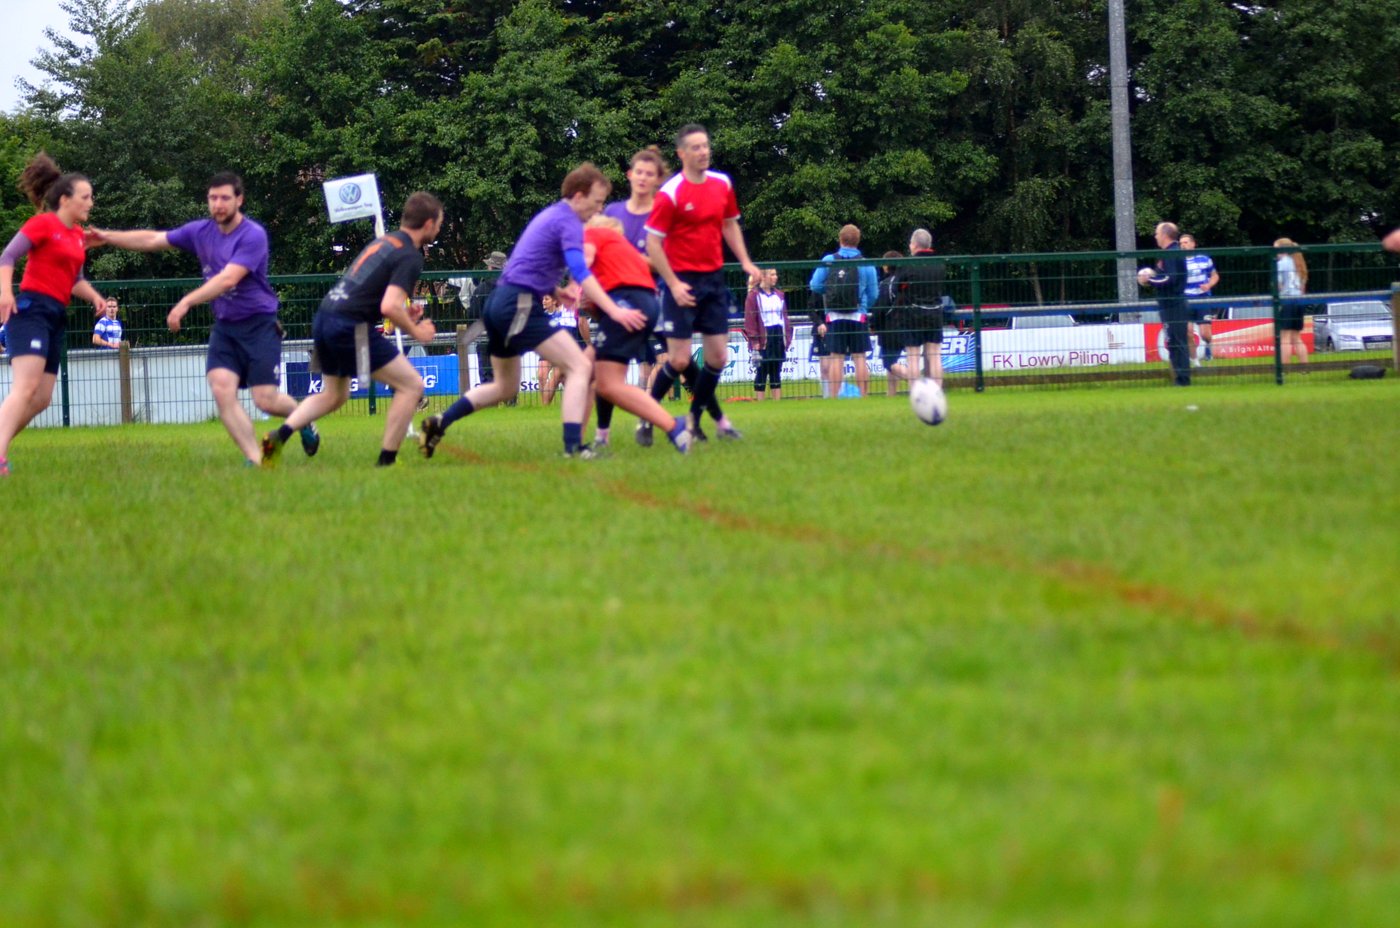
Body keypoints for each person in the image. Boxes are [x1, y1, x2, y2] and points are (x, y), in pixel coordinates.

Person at [419, 163, 646, 459]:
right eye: (597, 201)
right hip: (520, 305)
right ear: (579, 196)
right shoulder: (569, 221)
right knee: (580, 366)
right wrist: (614, 310)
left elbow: (526, 264)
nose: (600, 209)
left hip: (500, 303)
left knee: (505, 387)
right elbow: (580, 270)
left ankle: (438, 422)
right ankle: (574, 449)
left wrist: (555, 292)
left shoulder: (550, 216)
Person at [92, 172, 317, 464]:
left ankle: (303, 419)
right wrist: (107, 236)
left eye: (225, 198)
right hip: (225, 327)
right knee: (222, 390)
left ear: (239, 200)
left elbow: (228, 279)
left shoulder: (253, 235)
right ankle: (257, 460)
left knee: (265, 399)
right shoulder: (200, 231)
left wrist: (187, 301)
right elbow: (153, 238)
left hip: (259, 324)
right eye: (213, 198)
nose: (218, 204)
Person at [261, 192, 442, 467]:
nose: (438, 230)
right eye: (439, 224)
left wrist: (405, 315)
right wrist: (417, 331)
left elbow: (376, 297)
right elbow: (390, 306)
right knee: (412, 385)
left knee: (334, 395)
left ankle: (278, 437)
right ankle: (386, 462)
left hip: (325, 317)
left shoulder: (384, 242)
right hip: (349, 326)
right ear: (428, 223)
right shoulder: (410, 255)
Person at [645, 123, 761, 440]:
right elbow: (653, 243)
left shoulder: (722, 184)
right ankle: (647, 417)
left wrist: (746, 261)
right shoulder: (671, 193)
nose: (703, 152)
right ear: (682, 153)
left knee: (718, 357)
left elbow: (729, 224)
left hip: (713, 280)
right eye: (695, 147)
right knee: (679, 359)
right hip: (681, 281)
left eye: (706, 146)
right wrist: (673, 283)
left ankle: (693, 420)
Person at [0, 153, 107, 477]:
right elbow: (7, 256)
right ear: (65, 199)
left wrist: (95, 297)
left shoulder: (77, 235)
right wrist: (5, 293)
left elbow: (75, 280)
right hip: (31, 311)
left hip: (56, 315)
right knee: (26, 388)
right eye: (85, 197)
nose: (90, 203)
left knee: (42, 398)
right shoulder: (42, 224)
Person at [581, 213, 690, 451]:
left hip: (626, 302)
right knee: (589, 369)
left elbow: (585, 264)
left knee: (606, 383)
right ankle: (581, 441)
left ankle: (673, 425)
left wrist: (573, 283)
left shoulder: (594, 234)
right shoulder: (624, 249)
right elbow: (654, 265)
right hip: (647, 303)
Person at [602, 147, 675, 446]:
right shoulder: (612, 212)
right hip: (618, 299)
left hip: (655, 298)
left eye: (650, 174)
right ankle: (602, 436)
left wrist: (629, 258)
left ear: (658, 180)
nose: (643, 178)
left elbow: (665, 261)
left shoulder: (663, 214)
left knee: (678, 359)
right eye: (639, 172)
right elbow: (600, 253)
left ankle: (663, 417)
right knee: (607, 368)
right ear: (629, 175)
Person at [809, 224, 878, 398]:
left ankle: (834, 397)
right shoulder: (866, 264)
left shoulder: (829, 260)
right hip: (858, 314)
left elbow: (814, 285)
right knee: (859, 357)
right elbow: (874, 294)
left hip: (834, 315)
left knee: (836, 357)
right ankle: (863, 396)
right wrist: (864, 306)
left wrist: (830, 292)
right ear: (858, 240)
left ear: (840, 239)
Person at [893, 228, 948, 385]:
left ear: (915, 245)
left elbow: (897, 287)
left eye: (910, 243)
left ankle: (916, 393)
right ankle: (937, 392)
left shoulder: (908, 264)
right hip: (935, 313)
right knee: (935, 355)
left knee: (913, 357)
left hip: (913, 314)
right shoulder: (939, 264)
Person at [1139, 222, 1191, 386]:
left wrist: (1149, 280)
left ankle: (1183, 380)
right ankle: (1179, 379)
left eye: (1157, 233)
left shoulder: (1172, 253)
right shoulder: (1168, 253)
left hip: (1174, 304)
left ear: (1164, 235)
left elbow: (1170, 279)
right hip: (1169, 304)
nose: (1155, 236)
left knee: (1178, 342)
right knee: (1173, 342)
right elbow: (1166, 277)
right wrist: (1154, 277)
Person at [743, 268, 791, 400]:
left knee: (776, 370)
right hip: (764, 336)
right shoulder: (753, 296)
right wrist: (754, 340)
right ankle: (760, 402)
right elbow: (750, 320)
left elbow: (784, 317)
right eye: (772, 274)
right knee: (762, 370)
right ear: (763, 277)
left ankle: (777, 403)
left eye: (776, 274)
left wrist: (787, 337)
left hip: (778, 335)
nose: (776, 277)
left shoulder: (779, 295)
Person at [869, 250, 909, 397]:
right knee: (892, 361)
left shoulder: (887, 283)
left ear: (887, 265)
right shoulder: (906, 280)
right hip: (908, 325)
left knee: (889, 363)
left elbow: (880, 308)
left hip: (891, 328)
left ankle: (918, 381)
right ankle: (891, 394)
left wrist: (872, 324)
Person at [466, 251, 507, 386]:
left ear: (490, 267)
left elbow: (472, 315)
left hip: (485, 338)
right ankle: (510, 399)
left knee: (487, 377)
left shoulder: (481, 289)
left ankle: (490, 398)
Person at [1180, 233, 1219, 365]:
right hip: (1185, 299)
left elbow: (1215, 276)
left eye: (1185, 242)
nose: (1183, 245)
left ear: (1193, 244)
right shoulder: (1178, 262)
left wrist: (1208, 285)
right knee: (1188, 332)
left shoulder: (1204, 259)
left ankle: (1208, 348)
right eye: (1181, 243)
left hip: (1202, 298)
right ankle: (1195, 361)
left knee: (1205, 334)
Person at [1273, 237, 1309, 370]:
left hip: (1287, 301)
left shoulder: (1281, 264)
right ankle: (1305, 369)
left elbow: (1279, 285)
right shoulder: (1299, 263)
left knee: (1284, 338)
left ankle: (1284, 370)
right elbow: (1303, 287)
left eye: (1275, 249)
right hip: (1299, 302)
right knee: (1296, 338)